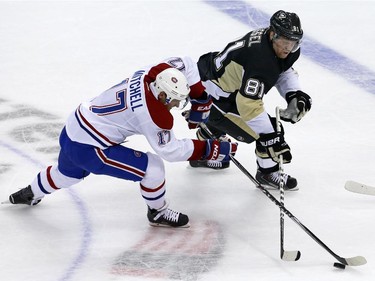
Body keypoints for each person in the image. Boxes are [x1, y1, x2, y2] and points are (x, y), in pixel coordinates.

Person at [8, 57, 237, 228]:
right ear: (162, 96)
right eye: (175, 101)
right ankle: (157, 212)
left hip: (73, 127)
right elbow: (171, 150)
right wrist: (211, 149)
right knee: (153, 168)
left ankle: (30, 192)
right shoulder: (153, 115)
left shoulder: (152, 74)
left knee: (67, 174)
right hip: (91, 148)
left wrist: (199, 96)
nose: (177, 106)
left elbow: (185, 62)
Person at [185, 10, 312, 191]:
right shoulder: (260, 59)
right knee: (271, 130)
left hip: (215, 82)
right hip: (211, 98)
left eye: (292, 42)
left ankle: (206, 137)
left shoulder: (278, 47)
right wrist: (271, 139)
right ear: (272, 34)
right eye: (284, 41)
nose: (288, 48)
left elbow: (282, 70)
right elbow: (248, 105)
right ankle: (267, 173)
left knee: (257, 125)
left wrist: (294, 94)